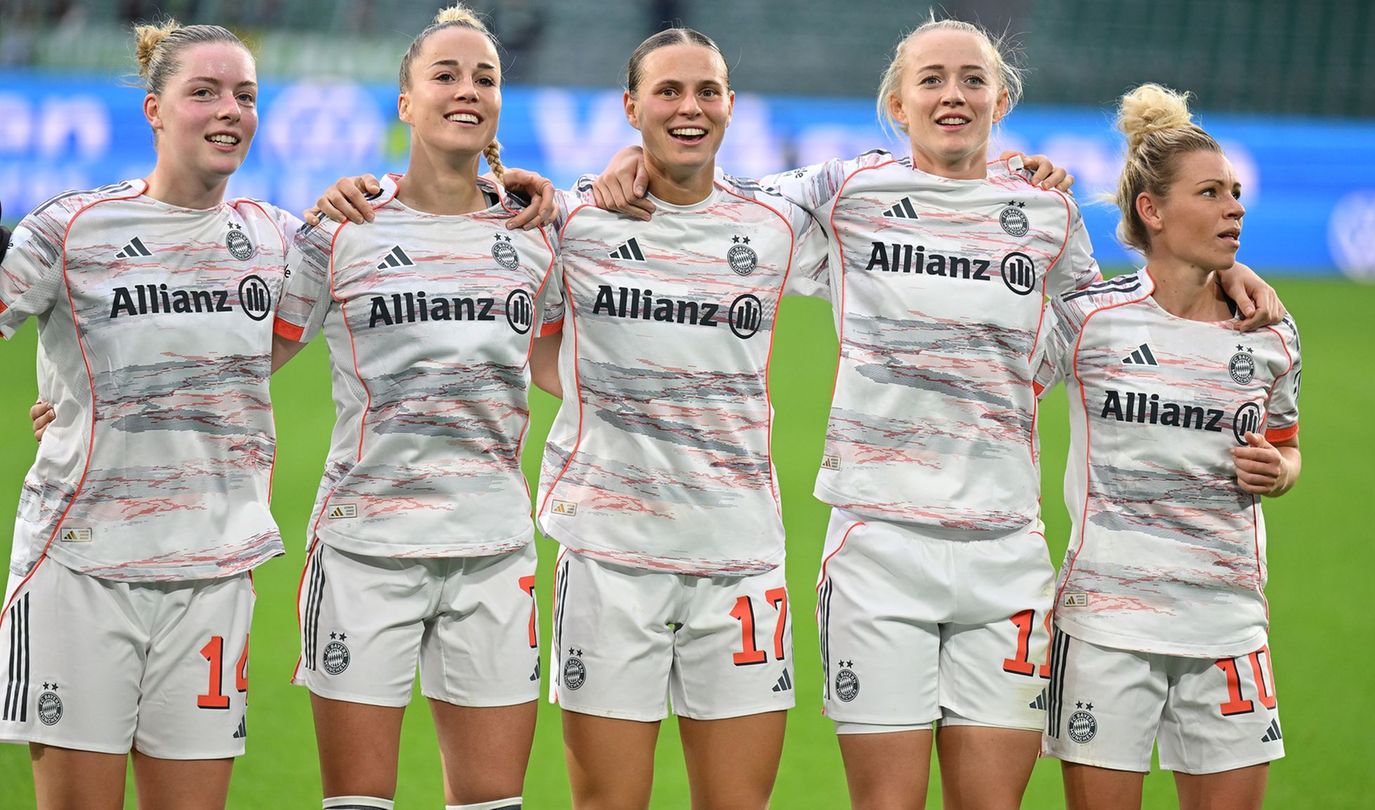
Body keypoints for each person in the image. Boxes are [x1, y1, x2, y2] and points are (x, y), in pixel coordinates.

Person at [588, 16, 1283, 810]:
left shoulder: (1050, 217)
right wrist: (632, 157)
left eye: (972, 79)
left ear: (1000, 99)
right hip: (879, 546)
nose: (953, 94)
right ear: (898, 102)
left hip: (1005, 553)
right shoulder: (843, 193)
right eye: (932, 79)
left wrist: (1227, 272)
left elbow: (1099, 329)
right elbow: (710, 194)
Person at [312, 26, 829, 808]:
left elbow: (904, 182)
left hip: (741, 557)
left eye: (707, 92)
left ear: (730, 105)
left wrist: (1021, 175)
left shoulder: (776, 221)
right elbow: (524, 339)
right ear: (630, 106)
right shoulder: (569, 223)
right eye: (667, 92)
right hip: (606, 555)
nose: (689, 107)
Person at [272, 7, 562, 810]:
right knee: (359, 804)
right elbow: (252, 354)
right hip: (366, 550)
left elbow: (565, 364)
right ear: (405, 101)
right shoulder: (342, 230)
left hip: (495, 549)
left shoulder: (539, 229)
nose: (467, 90)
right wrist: (89, 398)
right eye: (445, 76)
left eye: (485, 78)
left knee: (492, 806)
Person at [0, 20, 294, 809]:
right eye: (203, 92)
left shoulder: (277, 240)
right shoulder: (68, 230)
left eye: (244, 95)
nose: (228, 109)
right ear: (155, 111)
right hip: (82, 566)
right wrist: (75, 406)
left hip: (213, 573)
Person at [1034, 83, 1301, 810]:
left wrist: (1280, 471)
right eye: (1211, 193)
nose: (1234, 207)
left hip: (1229, 623)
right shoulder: (1092, 320)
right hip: (1106, 624)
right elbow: (998, 368)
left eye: (1235, 192)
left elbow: (1288, 448)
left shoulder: (1270, 333)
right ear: (1152, 211)